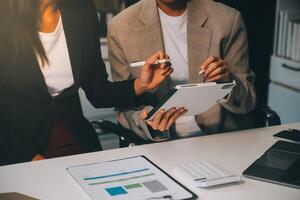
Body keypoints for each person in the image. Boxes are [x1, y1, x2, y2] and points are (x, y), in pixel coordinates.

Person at [0, 0, 175, 165]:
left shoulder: (81, 9)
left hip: (75, 138)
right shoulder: (5, 15)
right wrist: (24, 156)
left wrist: (140, 85)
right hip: (16, 147)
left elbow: (97, 91)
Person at [108, 0, 256, 141]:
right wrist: (147, 122)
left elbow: (248, 101)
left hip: (221, 137)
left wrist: (227, 81)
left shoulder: (227, 19)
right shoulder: (121, 26)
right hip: (158, 144)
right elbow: (124, 104)